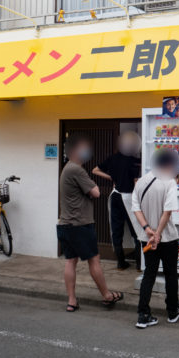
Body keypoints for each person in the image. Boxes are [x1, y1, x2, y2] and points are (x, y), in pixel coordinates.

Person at [57, 133, 123, 312]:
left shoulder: (67, 168)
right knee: (94, 260)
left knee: (70, 261)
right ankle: (107, 295)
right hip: (80, 224)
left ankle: (72, 301)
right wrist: (92, 185)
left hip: (65, 224)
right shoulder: (77, 170)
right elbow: (96, 192)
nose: (87, 151)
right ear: (75, 150)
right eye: (84, 148)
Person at [132, 148, 179, 329]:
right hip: (167, 237)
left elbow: (136, 209)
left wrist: (148, 230)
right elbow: (168, 211)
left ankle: (143, 314)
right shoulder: (169, 182)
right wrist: (158, 233)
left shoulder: (141, 182)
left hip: (146, 238)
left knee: (149, 274)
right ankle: (172, 311)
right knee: (171, 273)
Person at [92, 131, 142, 270]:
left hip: (115, 196)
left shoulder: (113, 158)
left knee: (116, 230)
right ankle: (139, 264)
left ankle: (121, 263)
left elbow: (95, 170)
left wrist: (112, 178)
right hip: (128, 197)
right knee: (136, 231)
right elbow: (136, 183)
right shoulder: (135, 161)